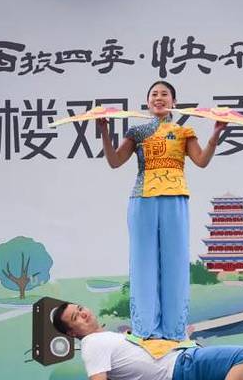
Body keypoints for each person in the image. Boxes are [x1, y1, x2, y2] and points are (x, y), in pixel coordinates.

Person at [96, 81, 227, 341]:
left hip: (175, 198)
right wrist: (104, 132)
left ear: (173, 102)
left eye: (164, 94)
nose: (159, 98)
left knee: (175, 262)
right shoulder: (137, 132)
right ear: (147, 102)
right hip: (142, 199)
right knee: (143, 261)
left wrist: (215, 136)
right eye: (154, 94)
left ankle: (174, 330)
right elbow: (115, 161)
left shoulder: (184, 132)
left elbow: (201, 161)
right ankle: (145, 329)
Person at [52, 302, 243, 380]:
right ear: (71, 333)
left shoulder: (104, 339)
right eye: (75, 317)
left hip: (180, 368)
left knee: (237, 364)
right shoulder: (92, 343)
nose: (83, 314)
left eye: (80, 309)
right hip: (181, 368)